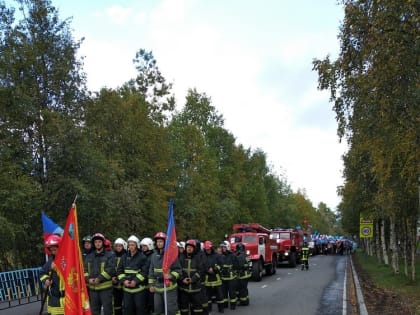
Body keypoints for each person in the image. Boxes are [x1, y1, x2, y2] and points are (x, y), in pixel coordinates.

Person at [148, 232, 181, 315]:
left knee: (171, 310)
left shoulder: (171, 255)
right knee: (158, 310)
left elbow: (178, 271)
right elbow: (151, 271)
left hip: (169, 288)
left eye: (161, 241)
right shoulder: (154, 256)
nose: (159, 243)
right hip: (157, 289)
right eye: (157, 241)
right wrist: (151, 285)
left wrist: (170, 276)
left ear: (165, 242)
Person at [84, 232, 116, 315]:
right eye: (96, 242)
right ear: (93, 244)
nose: (97, 244)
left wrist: (99, 279)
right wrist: (88, 279)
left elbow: (111, 269)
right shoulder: (89, 256)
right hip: (93, 290)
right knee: (94, 311)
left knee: (108, 311)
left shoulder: (110, 255)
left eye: (99, 242)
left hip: (106, 290)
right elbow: (85, 270)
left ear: (103, 243)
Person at [117, 235, 149, 315]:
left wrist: (135, 281)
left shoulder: (142, 257)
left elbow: (144, 272)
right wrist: (124, 281)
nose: (130, 247)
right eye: (129, 245)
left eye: (133, 245)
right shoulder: (124, 257)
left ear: (137, 245)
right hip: (127, 290)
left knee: (140, 310)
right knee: (127, 310)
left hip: (139, 290)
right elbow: (119, 271)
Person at [178, 239, 207, 315]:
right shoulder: (181, 257)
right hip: (184, 289)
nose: (189, 248)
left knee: (197, 309)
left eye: (191, 247)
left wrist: (193, 279)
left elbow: (201, 271)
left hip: (196, 289)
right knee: (184, 309)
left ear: (194, 249)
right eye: (188, 247)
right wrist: (182, 279)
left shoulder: (198, 258)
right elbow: (178, 270)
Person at [40, 234, 64, 315]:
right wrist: (46, 280)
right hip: (54, 298)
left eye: (55, 249)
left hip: (67, 297)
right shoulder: (49, 262)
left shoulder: (67, 259)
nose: (53, 252)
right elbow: (42, 273)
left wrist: (57, 267)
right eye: (51, 250)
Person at [203, 240, 224, 313]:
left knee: (219, 295)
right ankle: (209, 308)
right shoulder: (203, 256)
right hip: (207, 278)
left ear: (211, 248)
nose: (208, 251)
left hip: (216, 277)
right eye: (206, 249)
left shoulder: (217, 255)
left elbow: (221, 265)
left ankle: (221, 308)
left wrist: (214, 269)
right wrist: (207, 270)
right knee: (207, 296)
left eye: (208, 249)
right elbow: (201, 265)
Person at [219, 241, 238, 310]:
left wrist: (233, 271)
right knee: (224, 293)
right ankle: (225, 304)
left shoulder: (232, 255)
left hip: (231, 278)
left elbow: (236, 266)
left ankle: (233, 305)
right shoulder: (220, 256)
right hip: (223, 278)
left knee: (232, 292)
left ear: (227, 247)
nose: (222, 248)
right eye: (222, 247)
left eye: (224, 247)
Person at [140, 237, 155, 314]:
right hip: (142, 285)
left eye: (145, 246)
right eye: (142, 246)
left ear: (150, 246)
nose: (143, 248)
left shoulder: (153, 256)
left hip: (151, 285)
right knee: (143, 306)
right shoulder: (141, 255)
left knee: (151, 305)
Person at [113, 238, 127, 315]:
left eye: (120, 246)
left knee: (126, 304)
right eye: (117, 246)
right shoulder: (112, 255)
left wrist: (121, 278)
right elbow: (110, 267)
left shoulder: (126, 256)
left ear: (123, 246)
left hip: (124, 283)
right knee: (116, 304)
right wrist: (112, 277)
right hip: (114, 284)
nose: (118, 248)